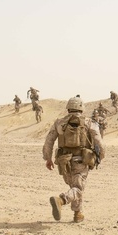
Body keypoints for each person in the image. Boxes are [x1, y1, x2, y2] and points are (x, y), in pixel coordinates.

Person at [43, 95, 105, 223]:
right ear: (81, 108)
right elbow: (99, 141)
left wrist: (47, 158)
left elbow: (49, 141)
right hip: (81, 160)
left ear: (68, 108)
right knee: (78, 188)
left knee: (74, 186)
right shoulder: (89, 122)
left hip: (63, 161)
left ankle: (78, 214)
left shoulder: (59, 123)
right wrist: (101, 156)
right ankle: (61, 200)